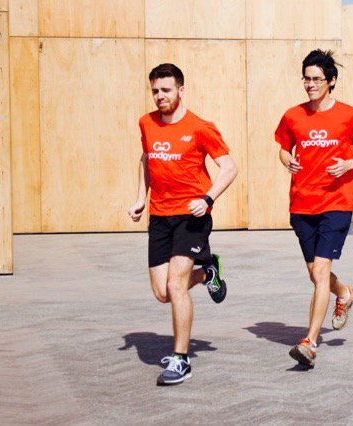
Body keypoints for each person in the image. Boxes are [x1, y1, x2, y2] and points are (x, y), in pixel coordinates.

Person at [128, 63, 238, 385]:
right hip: (159, 217)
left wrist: (207, 199)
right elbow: (146, 159)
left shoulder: (201, 127)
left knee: (176, 285)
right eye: (155, 91)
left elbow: (229, 168)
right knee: (162, 293)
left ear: (181, 90)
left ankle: (181, 359)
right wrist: (140, 198)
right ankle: (208, 271)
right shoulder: (146, 123)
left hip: (192, 217)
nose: (160, 96)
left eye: (166, 90)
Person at [274, 50, 353, 366]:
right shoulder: (293, 115)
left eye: (316, 79)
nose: (310, 84)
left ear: (331, 81)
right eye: (306, 79)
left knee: (320, 271)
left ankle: (309, 342)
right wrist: (287, 160)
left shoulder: (348, 114)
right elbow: (282, 147)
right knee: (315, 274)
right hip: (302, 203)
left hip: (336, 202)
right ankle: (345, 293)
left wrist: (351, 162)